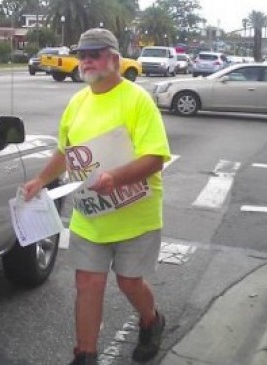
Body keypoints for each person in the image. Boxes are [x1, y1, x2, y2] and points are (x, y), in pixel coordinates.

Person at [22, 28, 171, 365]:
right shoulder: (77, 102)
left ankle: (151, 320)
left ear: (115, 59)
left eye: (95, 53)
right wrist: (40, 180)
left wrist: (115, 177)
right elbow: (66, 151)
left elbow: (155, 157)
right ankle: (85, 354)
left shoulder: (137, 100)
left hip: (135, 214)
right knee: (88, 282)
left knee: (130, 282)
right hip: (91, 213)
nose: (86, 60)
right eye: (82, 54)